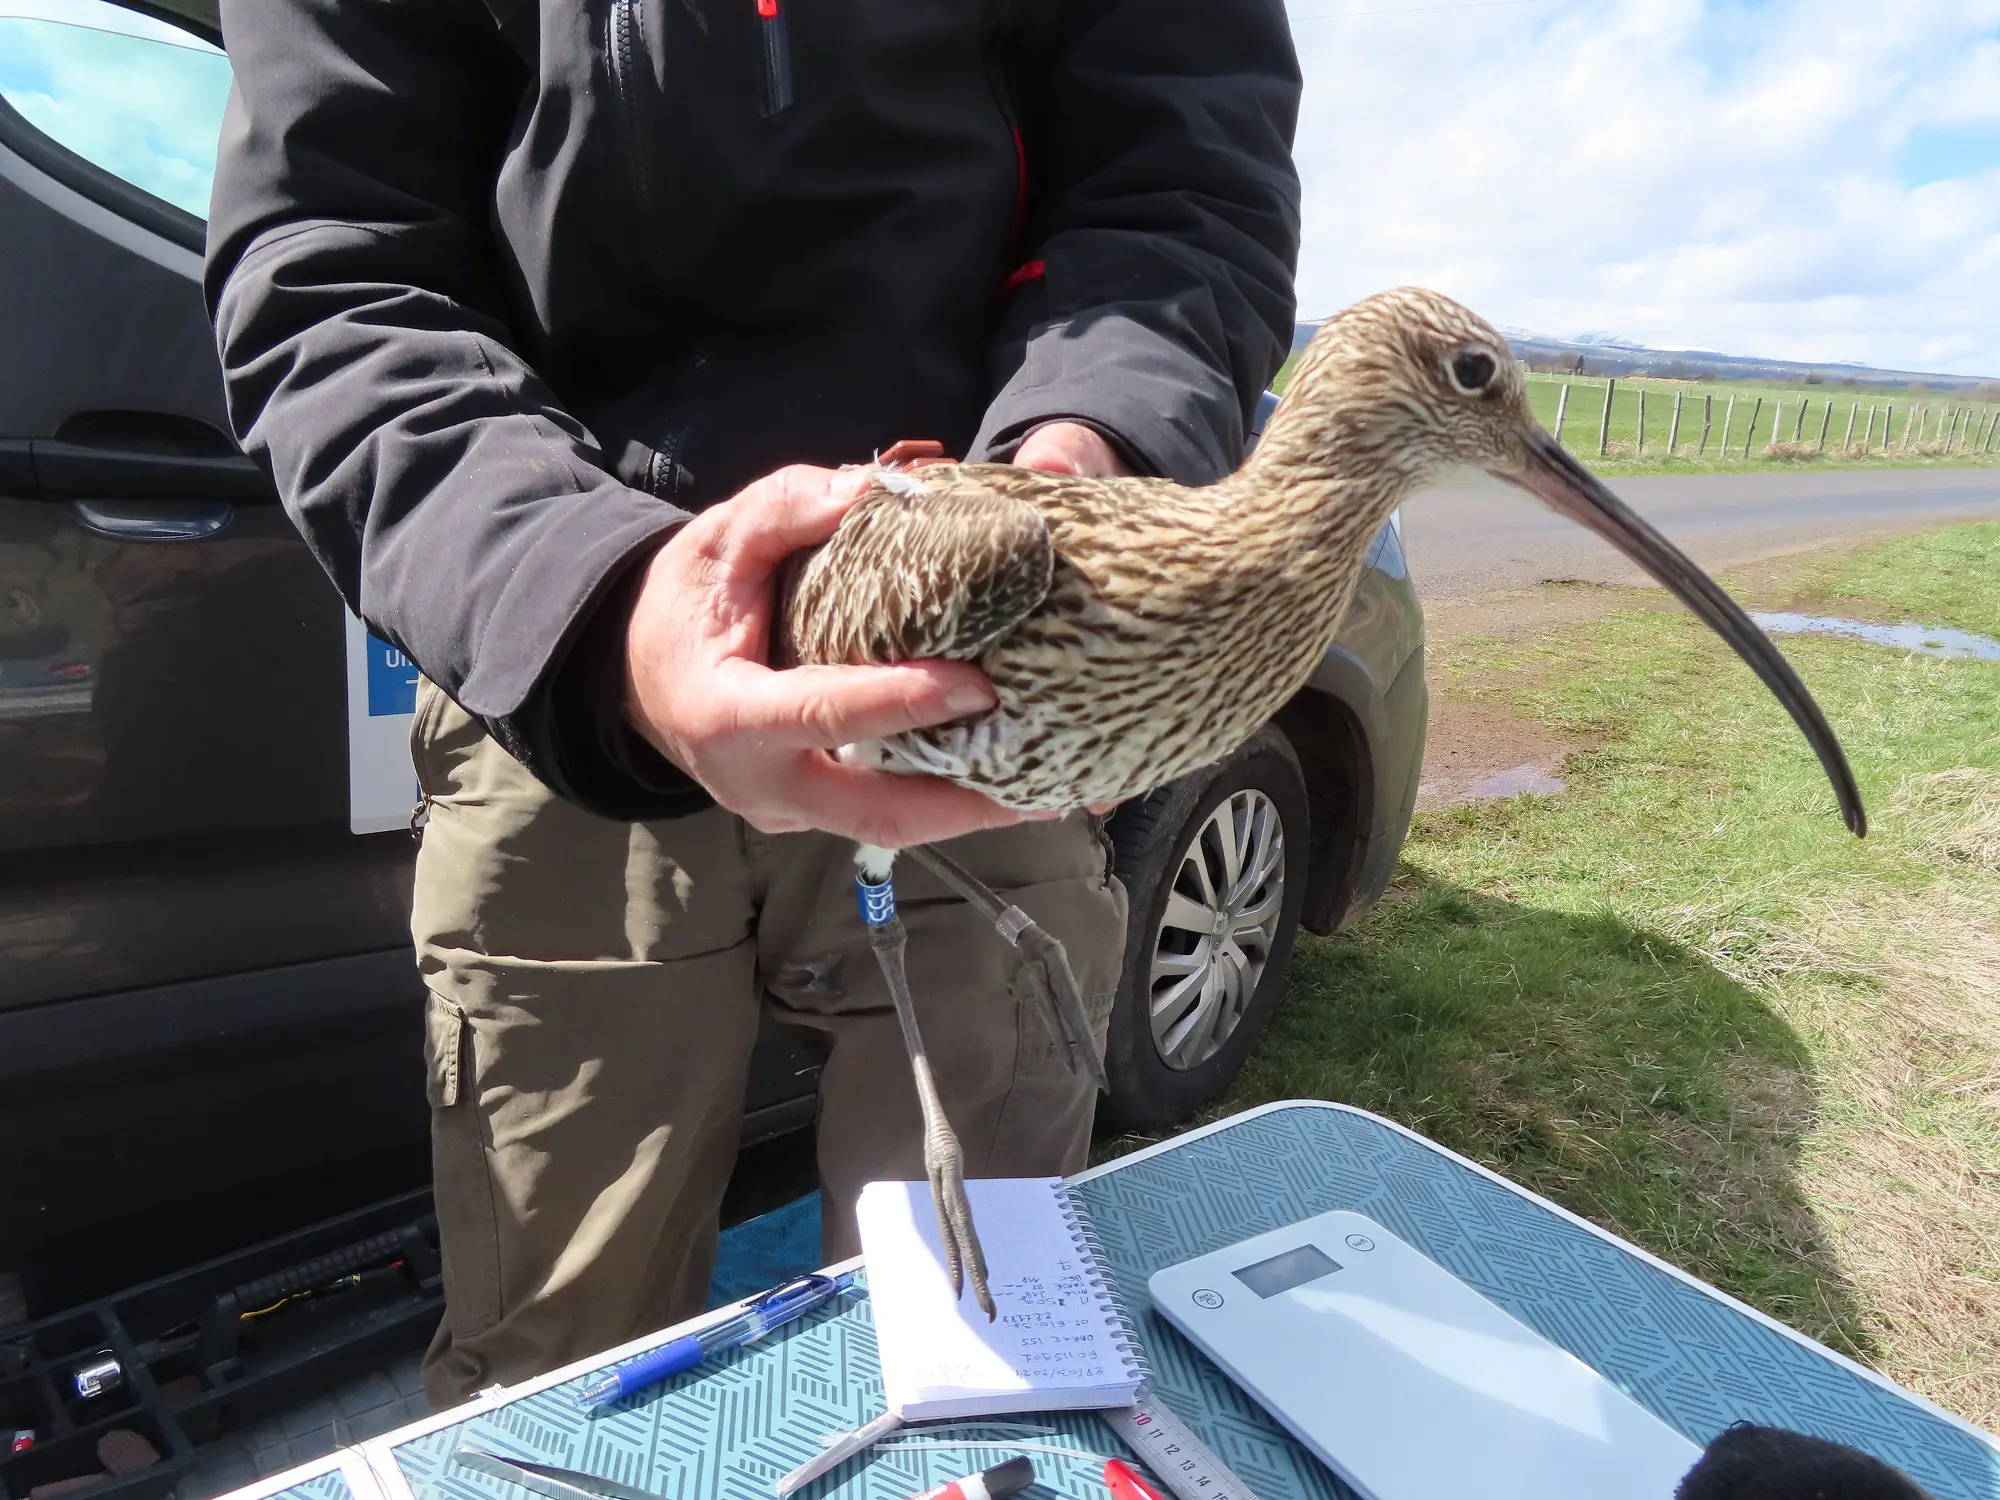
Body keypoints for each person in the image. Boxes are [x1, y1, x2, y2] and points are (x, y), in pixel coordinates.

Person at [204, 0, 1302, 1407]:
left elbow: (1183, 188)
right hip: (572, 703)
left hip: (974, 689)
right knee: (558, 1377)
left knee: (986, 1341)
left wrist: (1068, 469)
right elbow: (334, 269)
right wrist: (592, 607)